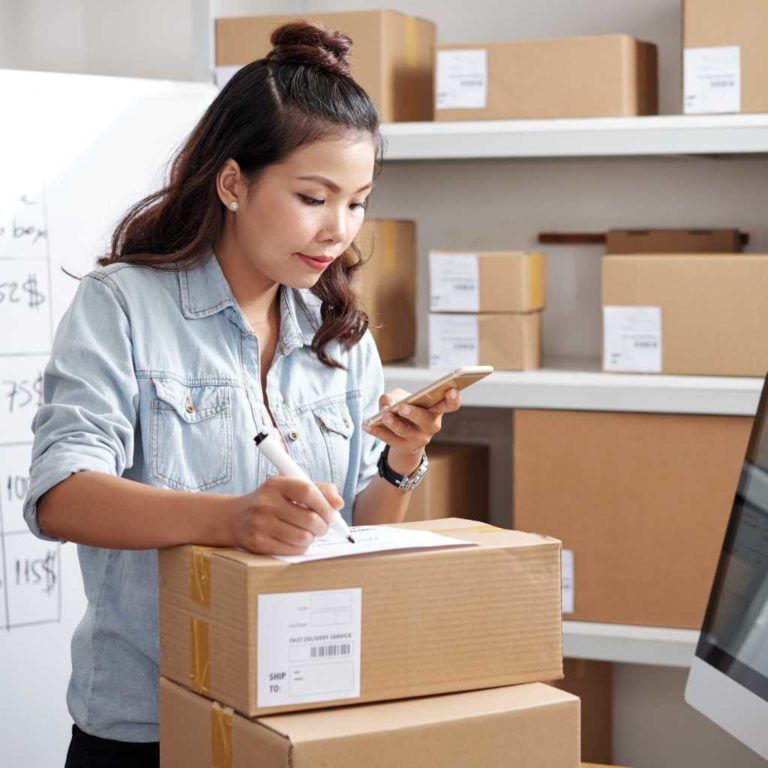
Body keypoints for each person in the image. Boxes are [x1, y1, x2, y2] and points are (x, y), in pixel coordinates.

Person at [22, 21, 461, 768]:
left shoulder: (340, 333)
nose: (337, 229)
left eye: (357, 202)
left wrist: (401, 462)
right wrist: (232, 519)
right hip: (147, 727)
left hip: (303, 714)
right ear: (233, 182)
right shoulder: (122, 306)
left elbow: (354, 527)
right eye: (313, 197)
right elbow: (60, 495)